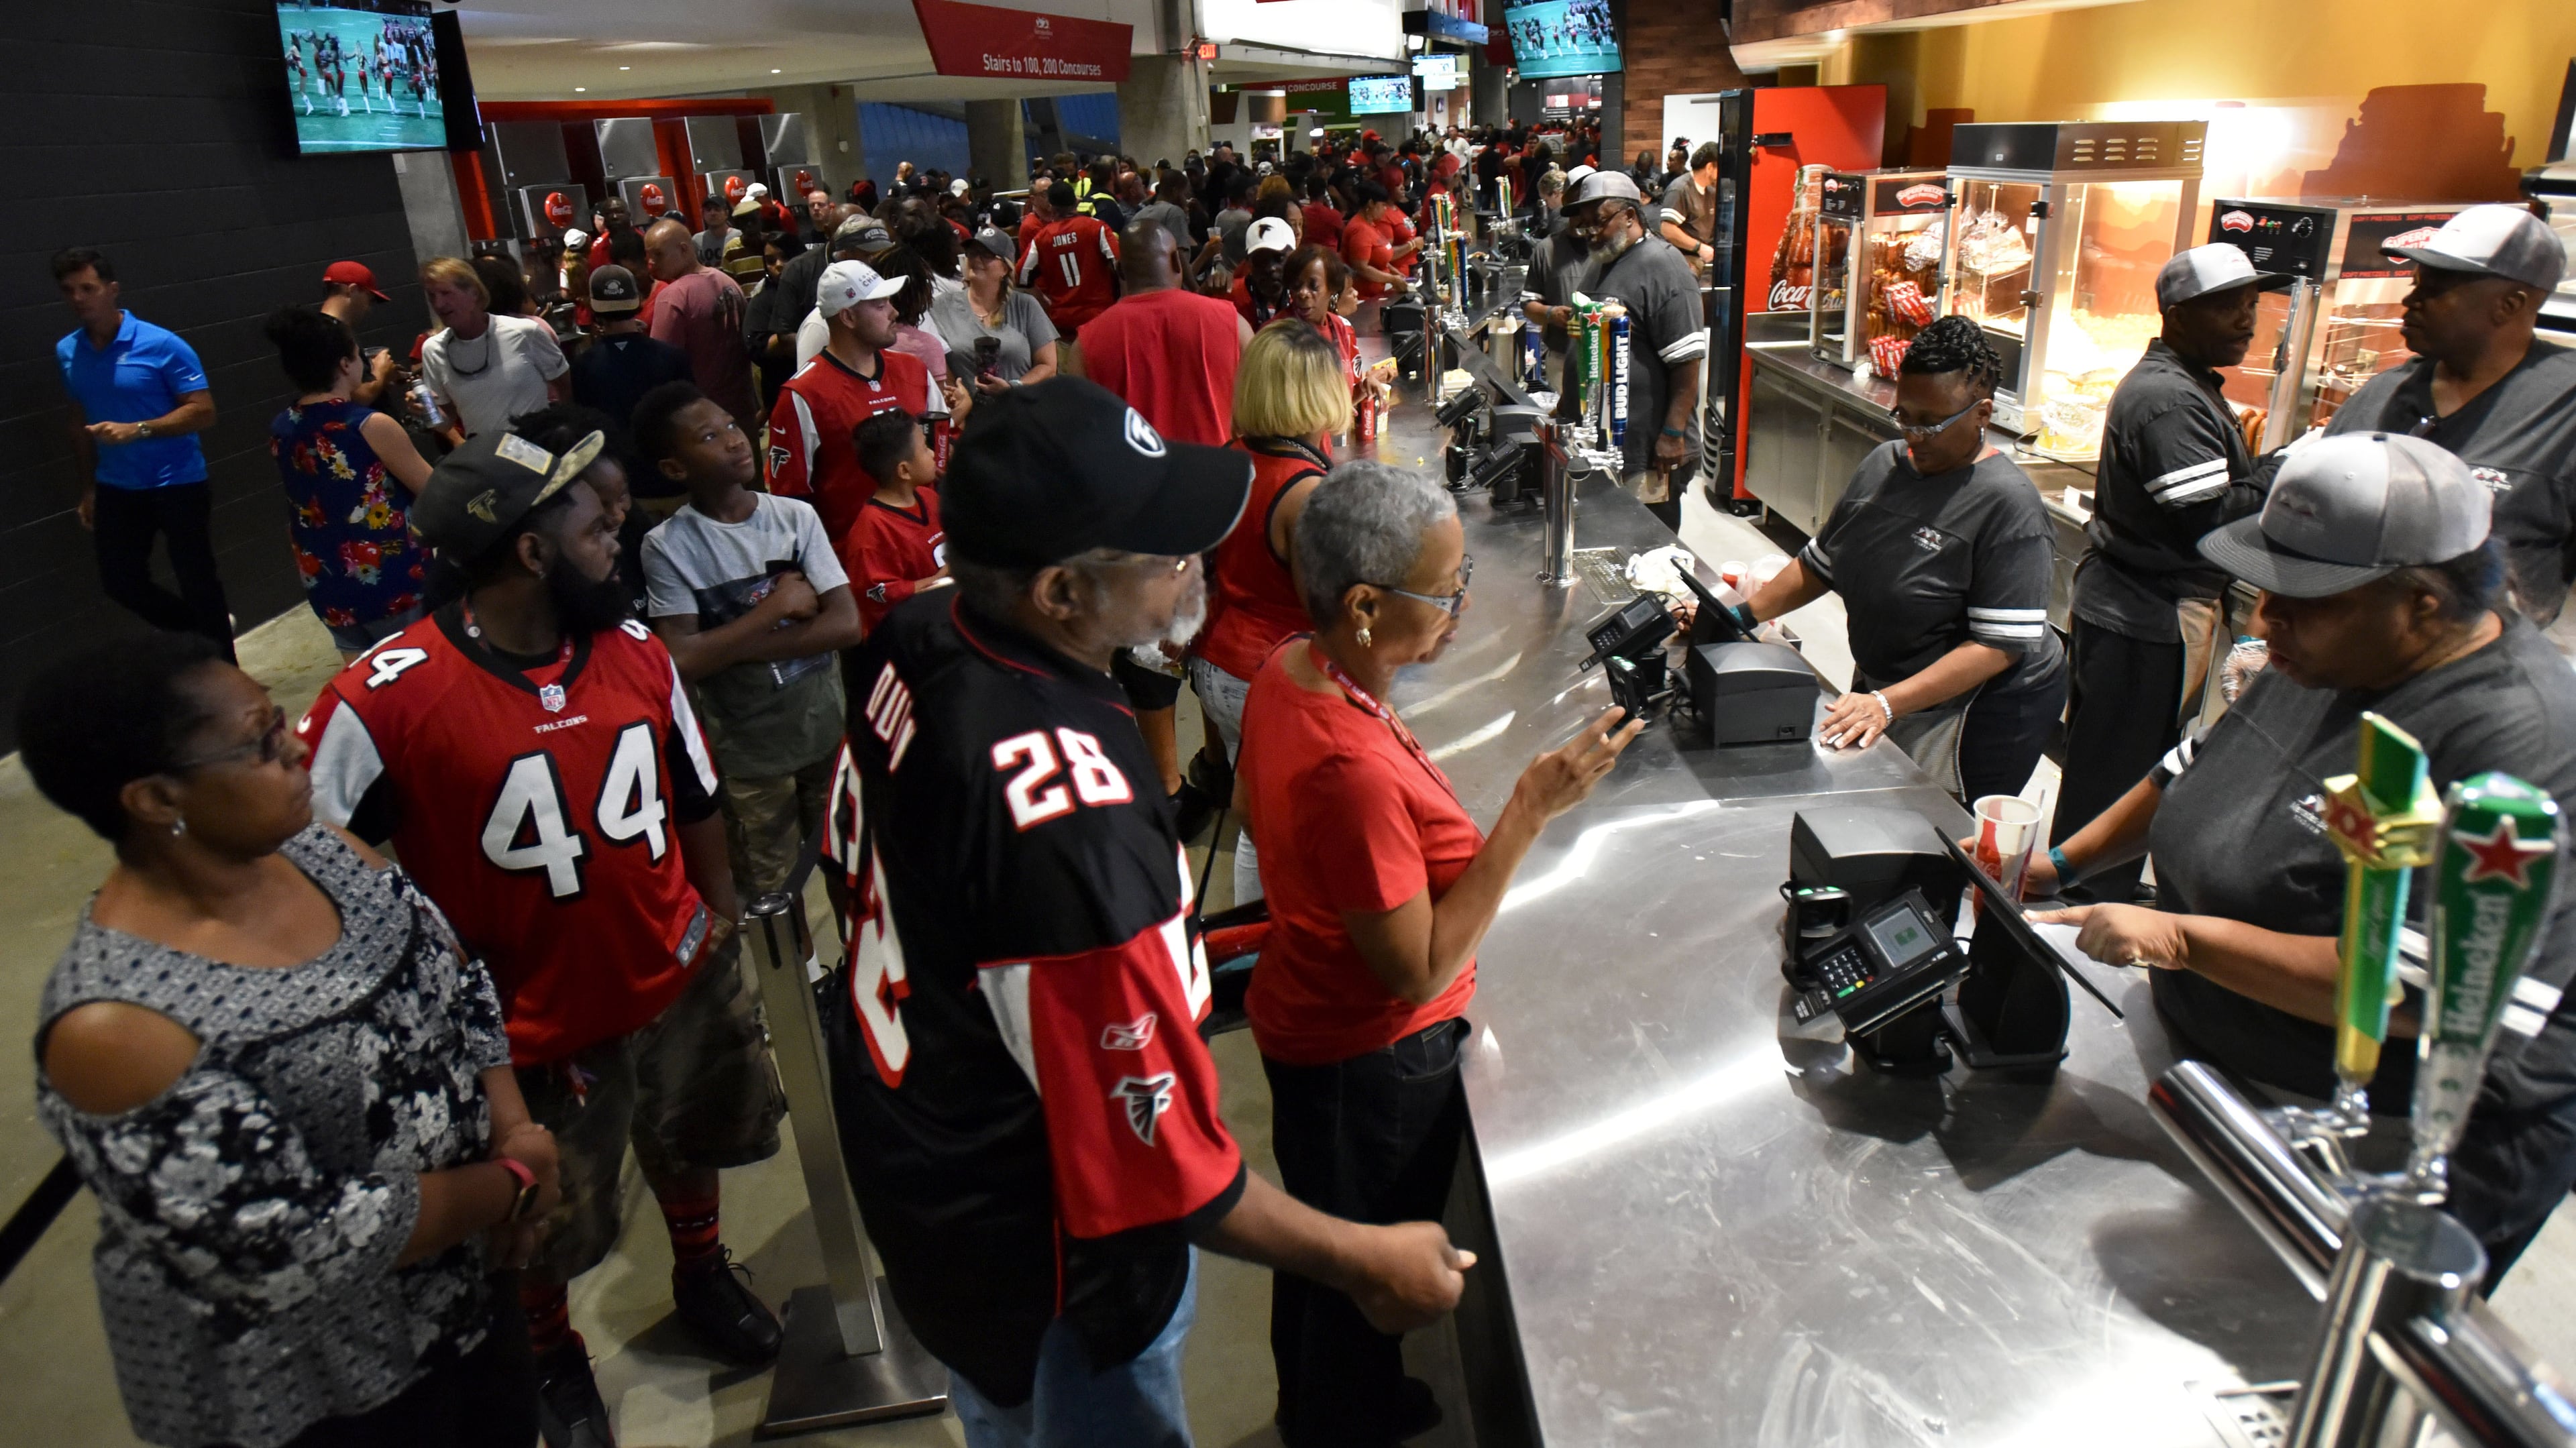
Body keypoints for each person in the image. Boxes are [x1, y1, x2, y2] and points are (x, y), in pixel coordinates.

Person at [823, 378, 1474, 1448]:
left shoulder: (927, 630)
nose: (1199, 567)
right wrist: (1364, 1258)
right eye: (1166, 553)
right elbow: (1158, 1159)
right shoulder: (1064, 821)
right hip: (1048, 1253)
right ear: (1062, 591)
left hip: (927, 1157)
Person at [297, 419, 786, 1446]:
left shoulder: (635, 647)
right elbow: (310, 859)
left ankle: (700, 1270)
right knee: (543, 1221)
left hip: (672, 968)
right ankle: (553, 1353)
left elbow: (692, 787)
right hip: (526, 1027)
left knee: (693, 1130)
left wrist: (718, 909)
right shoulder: (385, 695)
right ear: (529, 547)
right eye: (588, 515)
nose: (615, 524)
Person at [2031, 431, 2576, 1279]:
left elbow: (2413, 994)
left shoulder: (2525, 741)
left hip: (2375, 1136)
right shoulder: (2330, 651)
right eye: (2265, 589)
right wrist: (2058, 864)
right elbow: (2190, 771)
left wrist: (2178, 937)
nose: (2262, 620)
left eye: (2303, 600)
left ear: (2423, 604)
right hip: (2218, 1061)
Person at [23, 633, 556, 1448]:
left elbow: (457, 984)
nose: (300, 745)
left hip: (467, 1289)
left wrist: (513, 1122)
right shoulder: (118, 1022)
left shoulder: (317, 850)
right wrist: (513, 1180)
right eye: (263, 742)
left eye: (282, 719)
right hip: (324, 1385)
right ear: (156, 799)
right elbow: (293, 1242)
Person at [1237, 461, 1639, 1447]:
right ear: (1366, 603)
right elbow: (1411, 968)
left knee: (1331, 1249)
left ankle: (1338, 1398)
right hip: (1366, 1058)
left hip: (1311, 1020)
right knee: (1360, 1259)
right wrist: (1531, 807)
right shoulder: (1347, 765)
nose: (1462, 607)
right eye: (1447, 590)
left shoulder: (1295, 662)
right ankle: (1340, 1420)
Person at [1741, 317, 2066, 803]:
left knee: (1935, 832)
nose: (1914, 435)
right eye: (1904, 416)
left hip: (1976, 709)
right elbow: (1820, 564)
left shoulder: (2008, 506)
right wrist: (1737, 615)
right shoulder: (1884, 466)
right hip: (1891, 682)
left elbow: (1998, 647)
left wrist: (1887, 704)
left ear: (1982, 414)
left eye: (1930, 423)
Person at [2055, 245, 2290, 901]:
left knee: (2126, 761)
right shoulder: (2168, 400)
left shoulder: (2188, 386)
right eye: (2229, 307)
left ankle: (2094, 892)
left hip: (2149, 610)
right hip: (2142, 617)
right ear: (2180, 314)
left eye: (2251, 305)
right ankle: (2083, 908)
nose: (2248, 321)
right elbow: (2212, 523)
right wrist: (2286, 466)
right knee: (2117, 776)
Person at [635, 381, 861, 903]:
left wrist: (726, 646)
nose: (736, 441)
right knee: (773, 892)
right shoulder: (668, 546)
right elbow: (682, 661)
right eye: (710, 436)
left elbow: (847, 624)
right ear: (675, 468)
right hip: (749, 755)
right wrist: (775, 610)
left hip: (825, 732)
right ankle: (799, 979)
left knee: (849, 870)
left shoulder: (794, 517)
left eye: (734, 425)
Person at [2306, 205, 2575, 624]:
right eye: (2416, 284)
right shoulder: (2382, 394)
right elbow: (2309, 520)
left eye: (2436, 289)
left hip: (2482, 678)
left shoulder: (2564, 405)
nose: (2410, 301)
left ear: (2509, 305)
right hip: (2351, 655)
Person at [1066, 221, 1258, 808]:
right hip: (1223, 512)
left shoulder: (1090, 340)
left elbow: (1084, 449)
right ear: (1177, 260)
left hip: (1139, 525)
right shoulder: (1231, 322)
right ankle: (1219, 760)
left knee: (1148, 658)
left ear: (1121, 272)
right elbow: (1257, 421)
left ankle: (1168, 786)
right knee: (1212, 637)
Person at [1187, 320, 1351, 903]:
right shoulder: (1302, 490)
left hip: (1217, 666)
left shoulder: (1231, 457)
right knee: (1275, 828)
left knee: (1256, 809)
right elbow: (1328, 610)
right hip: (1267, 673)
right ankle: (1268, 946)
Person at [53, 247, 232, 659]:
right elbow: (77, 421)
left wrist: (140, 429)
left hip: (178, 482)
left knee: (198, 580)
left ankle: (226, 668)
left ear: (112, 290)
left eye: (88, 288)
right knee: (120, 582)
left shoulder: (162, 344)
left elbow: (203, 411)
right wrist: (88, 488)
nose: (79, 298)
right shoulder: (68, 352)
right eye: (69, 291)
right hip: (117, 485)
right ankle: (197, 632)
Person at [264, 305, 435, 662]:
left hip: (325, 578)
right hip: (387, 577)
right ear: (345, 364)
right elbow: (433, 490)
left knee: (362, 681)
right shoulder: (369, 424)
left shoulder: (283, 426)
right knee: (415, 676)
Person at [1556, 170, 1705, 528]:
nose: (1591, 231)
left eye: (1600, 221)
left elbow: (1687, 361)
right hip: (1605, 443)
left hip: (1648, 449)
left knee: (1649, 546)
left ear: (1630, 216)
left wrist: (1672, 434)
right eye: (1585, 224)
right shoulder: (1603, 262)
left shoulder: (1663, 265)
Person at [767, 259, 941, 541]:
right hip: (855, 561)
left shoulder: (914, 370)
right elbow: (790, 500)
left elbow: (943, 446)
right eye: (880, 305)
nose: (895, 312)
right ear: (847, 317)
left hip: (929, 546)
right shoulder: (803, 394)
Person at [568, 264, 692, 492]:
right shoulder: (673, 357)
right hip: (674, 478)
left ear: (595, 309)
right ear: (637, 302)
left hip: (620, 487)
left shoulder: (583, 367)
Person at [418, 256, 568, 441]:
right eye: (432, 296)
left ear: (474, 293)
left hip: (539, 445)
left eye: (446, 293)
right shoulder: (433, 350)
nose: (438, 304)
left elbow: (564, 385)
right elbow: (445, 423)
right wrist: (427, 409)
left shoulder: (526, 332)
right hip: (487, 457)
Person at [643, 217, 758, 435]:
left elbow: (660, 366)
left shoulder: (673, 296)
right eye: (648, 255)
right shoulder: (728, 282)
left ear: (684, 249)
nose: (651, 263)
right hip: (742, 411)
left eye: (658, 254)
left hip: (702, 422)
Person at [839, 408, 949, 632]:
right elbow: (880, 595)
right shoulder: (871, 533)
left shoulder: (928, 496)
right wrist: (941, 579)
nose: (931, 454)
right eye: (925, 448)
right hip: (911, 637)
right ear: (904, 471)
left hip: (945, 616)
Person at [932, 227, 1061, 392]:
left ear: (1005, 268)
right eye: (972, 253)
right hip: (968, 414)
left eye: (987, 255)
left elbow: (1048, 366)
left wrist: (1012, 387)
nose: (977, 259)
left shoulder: (1025, 306)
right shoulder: (942, 306)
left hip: (1018, 409)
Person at [1018, 180, 1122, 334]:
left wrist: (1046, 303)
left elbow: (1021, 276)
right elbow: (1121, 266)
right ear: (1076, 203)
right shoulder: (1097, 228)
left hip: (1063, 324)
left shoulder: (1042, 239)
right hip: (1101, 318)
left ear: (1052, 207)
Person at [320, 260, 402, 408]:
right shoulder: (329, 334)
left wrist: (380, 378)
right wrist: (381, 370)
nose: (368, 308)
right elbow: (360, 397)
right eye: (369, 299)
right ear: (352, 290)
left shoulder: (330, 329)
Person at [1656, 141, 1723, 279]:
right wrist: (1699, 247)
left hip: (1707, 256)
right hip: (1685, 257)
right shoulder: (1680, 189)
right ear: (1710, 167)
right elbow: (1667, 229)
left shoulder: (1711, 191)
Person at [1339, 182, 1412, 301]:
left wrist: (1395, 273)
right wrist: (1392, 279)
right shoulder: (1359, 229)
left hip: (1377, 294)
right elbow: (1362, 268)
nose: (1385, 209)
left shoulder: (1371, 223)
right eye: (1383, 205)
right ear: (1371, 203)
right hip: (1363, 298)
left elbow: (1378, 258)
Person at [1230, 217, 1297, 330]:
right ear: (1248, 262)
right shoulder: (1230, 295)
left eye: (1279, 258)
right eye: (1260, 261)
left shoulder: (1304, 298)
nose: (1271, 268)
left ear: (1294, 256)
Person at [692, 197, 734, 269]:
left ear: (726, 213)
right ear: (703, 214)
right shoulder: (697, 240)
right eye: (708, 210)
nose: (713, 213)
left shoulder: (737, 236)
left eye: (717, 209)